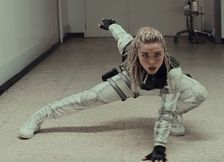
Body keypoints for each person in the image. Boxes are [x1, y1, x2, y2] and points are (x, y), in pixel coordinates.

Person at [18, 19, 208, 162]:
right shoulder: (129, 50)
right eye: (145, 55)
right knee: (88, 98)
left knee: (198, 92)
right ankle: (41, 115)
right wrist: (111, 24)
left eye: (157, 55)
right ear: (137, 53)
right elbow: (122, 35)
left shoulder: (172, 71)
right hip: (131, 82)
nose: (151, 62)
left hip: (165, 86)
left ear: (164, 53)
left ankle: (177, 116)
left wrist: (159, 147)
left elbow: (165, 110)